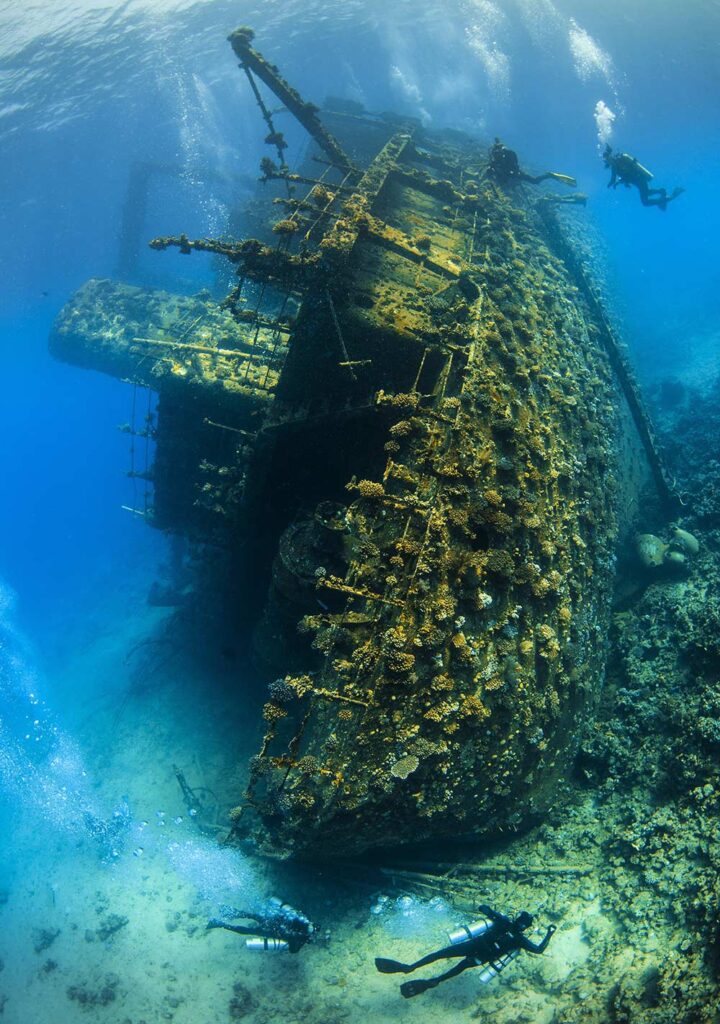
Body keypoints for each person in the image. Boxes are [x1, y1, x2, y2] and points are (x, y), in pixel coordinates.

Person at [375, 904, 556, 998]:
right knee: (459, 967)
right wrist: (549, 933)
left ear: (517, 919)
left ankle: (410, 967)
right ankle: (434, 981)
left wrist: (493, 910)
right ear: (525, 928)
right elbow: (539, 949)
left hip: (473, 945)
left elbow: (484, 909)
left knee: (440, 954)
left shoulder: (504, 922)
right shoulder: (520, 940)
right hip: (482, 957)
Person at [207, 897, 316, 953]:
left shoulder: (304, 920)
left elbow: (299, 911)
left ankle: (229, 912)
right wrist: (303, 942)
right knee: (249, 931)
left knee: (253, 916)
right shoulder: (298, 938)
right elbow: (293, 950)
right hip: (271, 931)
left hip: (274, 919)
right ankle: (220, 924)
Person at [603, 145, 684, 210]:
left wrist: (612, 183)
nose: (606, 162)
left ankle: (667, 197)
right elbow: (624, 176)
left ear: (610, 157)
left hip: (639, 179)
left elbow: (614, 178)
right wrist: (618, 182)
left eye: (606, 159)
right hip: (639, 180)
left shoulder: (617, 164)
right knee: (647, 193)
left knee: (645, 202)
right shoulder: (616, 165)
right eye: (606, 160)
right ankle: (661, 192)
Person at [486, 138, 577, 189]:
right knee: (534, 181)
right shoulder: (498, 158)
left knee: (535, 181)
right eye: (495, 154)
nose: (496, 155)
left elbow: (514, 166)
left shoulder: (507, 156)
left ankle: (549, 175)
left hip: (516, 174)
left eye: (497, 153)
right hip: (512, 174)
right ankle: (549, 175)